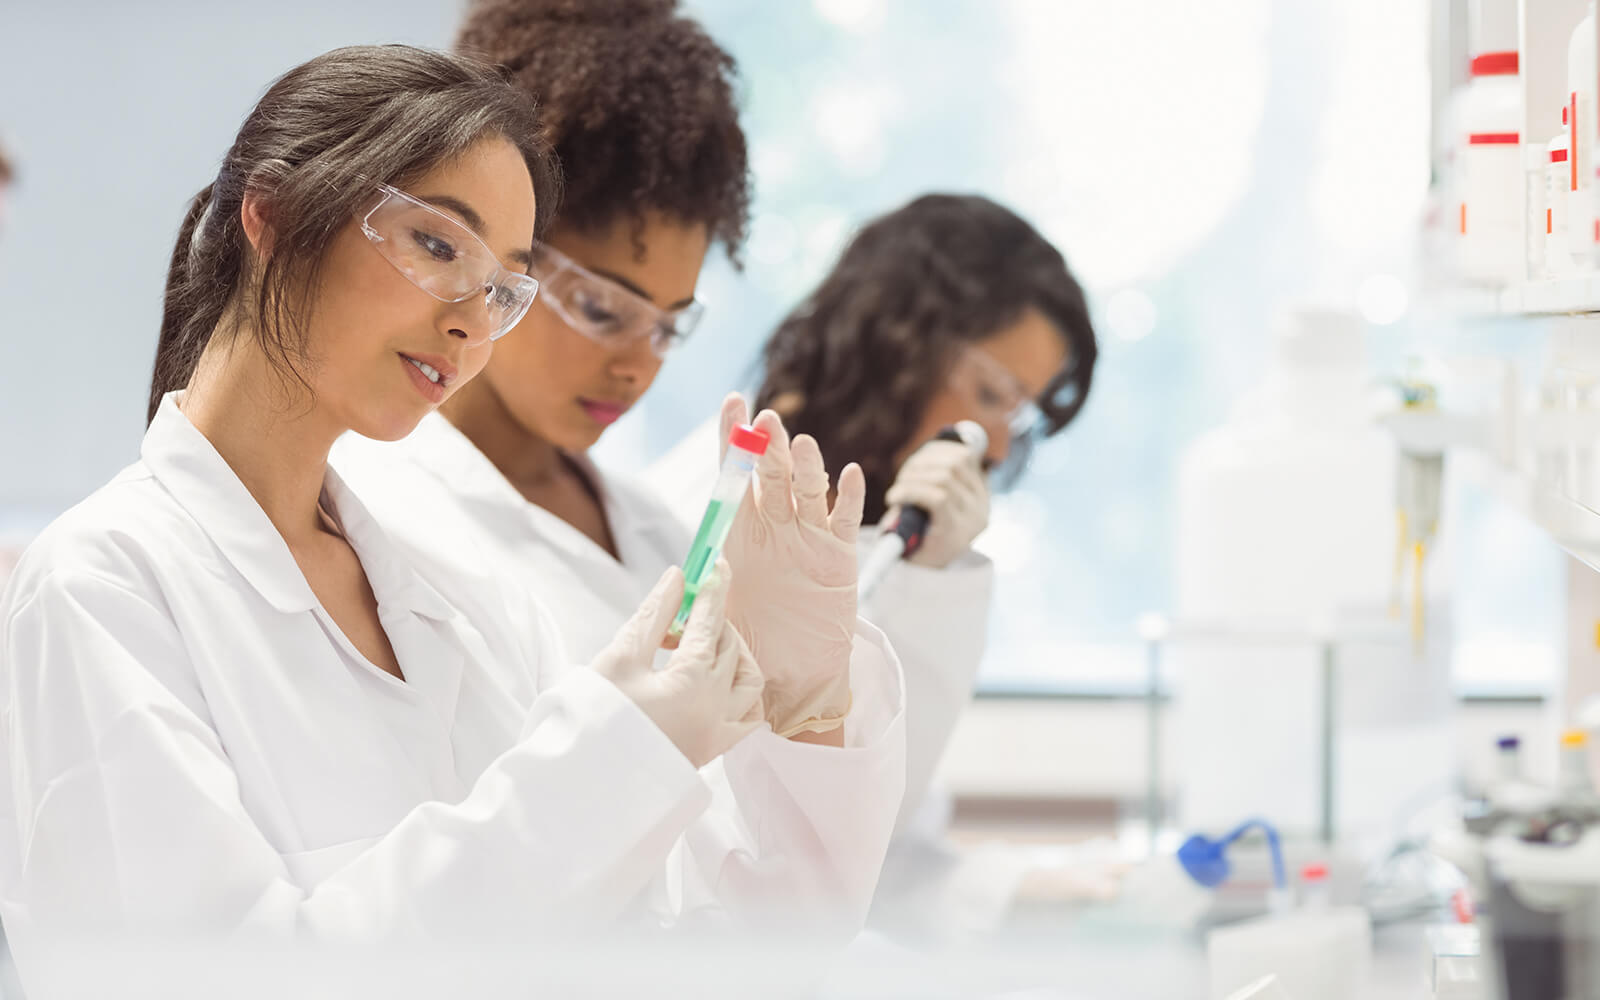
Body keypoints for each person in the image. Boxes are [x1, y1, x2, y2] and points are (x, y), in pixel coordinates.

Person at [0, 44, 895, 999]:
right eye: (438, 247)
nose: (474, 322)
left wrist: (810, 705)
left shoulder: (467, 603)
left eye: (507, 286)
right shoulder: (101, 588)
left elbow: (696, 957)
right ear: (269, 214)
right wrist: (612, 753)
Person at [332, 0, 907, 938]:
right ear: (500, 260)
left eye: (670, 325)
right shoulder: (374, 520)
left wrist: (817, 704)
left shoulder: (658, 529)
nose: (638, 364)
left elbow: (776, 900)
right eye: (604, 309)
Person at [649, 193, 1099, 936]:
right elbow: (742, 849)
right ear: (895, 341)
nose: (994, 442)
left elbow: (883, 848)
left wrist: (1014, 888)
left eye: (1021, 414)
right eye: (990, 394)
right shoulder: (706, 510)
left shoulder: (899, 542)